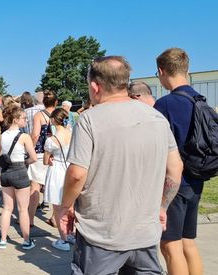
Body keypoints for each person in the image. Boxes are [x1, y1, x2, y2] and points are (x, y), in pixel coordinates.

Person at [59, 56, 183, 274]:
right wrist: (162, 207)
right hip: (144, 232)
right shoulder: (156, 118)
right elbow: (175, 169)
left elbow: (77, 174)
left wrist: (65, 207)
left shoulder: (89, 120)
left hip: (102, 235)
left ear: (95, 86)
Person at [154, 48, 205, 275]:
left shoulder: (165, 105)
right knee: (188, 243)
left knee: (170, 246)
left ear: (161, 71)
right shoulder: (200, 101)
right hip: (197, 180)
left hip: (174, 184)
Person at [0, 104, 37, 250]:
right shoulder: (24, 137)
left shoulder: (2, 136)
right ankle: (26, 240)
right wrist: (24, 162)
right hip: (20, 171)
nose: (26, 121)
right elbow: (34, 158)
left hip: (5, 173)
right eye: (24, 118)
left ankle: (3, 240)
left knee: (7, 208)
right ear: (16, 119)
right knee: (23, 209)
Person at [43, 108, 74, 251]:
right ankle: (71, 233)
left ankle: (63, 240)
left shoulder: (52, 140)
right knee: (70, 206)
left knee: (57, 207)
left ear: (54, 120)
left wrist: (50, 159)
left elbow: (45, 160)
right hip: (70, 168)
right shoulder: (72, 134)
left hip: (57, 170)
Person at [27, 90, 57, 226]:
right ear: (56, 102)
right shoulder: (61, 114)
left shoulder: (39, 115)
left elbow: (35, 135)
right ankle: (55, 217)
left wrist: (30, 149)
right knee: (56, 185)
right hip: (57, 153)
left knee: (35, 186)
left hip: (40, 152)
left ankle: (30, 219)